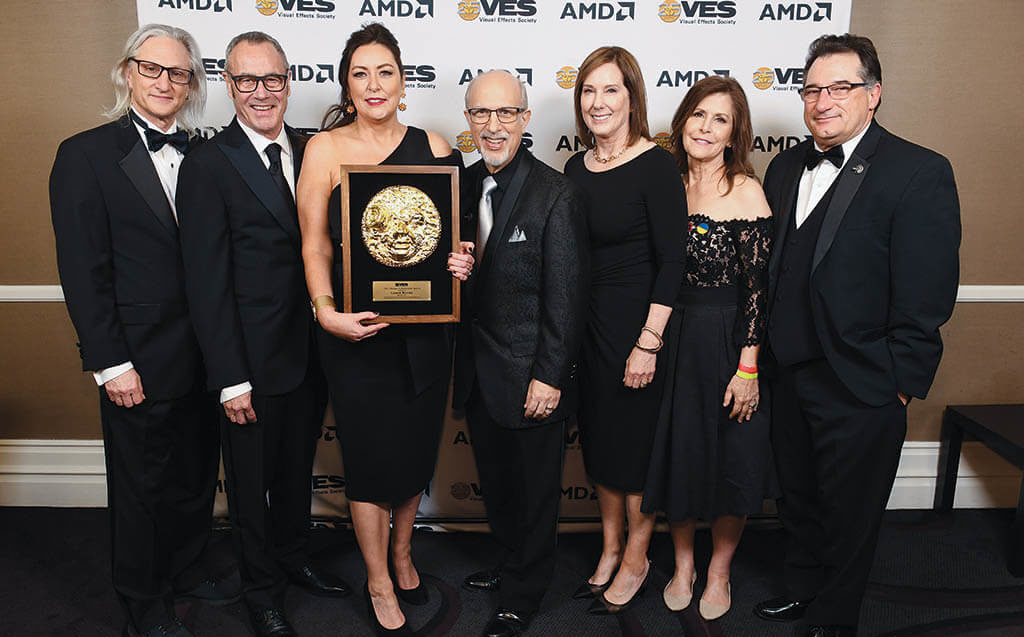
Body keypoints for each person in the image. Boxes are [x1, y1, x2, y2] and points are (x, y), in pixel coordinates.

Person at [753, 34, 960, 637]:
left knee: (851, 511)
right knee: (797, 495)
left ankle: (835, 617)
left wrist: (899, 384)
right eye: (813, 88)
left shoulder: (919, 170)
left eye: (840, 87)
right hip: (788, 371)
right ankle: (801, 589)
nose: (823, 101)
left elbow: (928, 293)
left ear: (873, 94)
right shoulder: (787, 165)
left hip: (863, 381)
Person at [48, 24, 230, 637]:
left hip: (206, 356)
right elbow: (82, 268)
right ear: (127, 73)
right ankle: (142, 601)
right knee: (140, 487)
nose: (165, 82)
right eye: (152, 69)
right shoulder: (85, 155)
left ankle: (183, 569)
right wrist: (109, 361)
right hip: (137, 358)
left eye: (178, 73)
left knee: (194, 475)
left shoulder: (205, 154)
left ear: (192, 85)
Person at [176, 31, 351, 637]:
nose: (260, 93)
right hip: (249, 362)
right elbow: (206, 283)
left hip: (313, 352)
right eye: (246, 80)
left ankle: (294, 558)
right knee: (250, 488)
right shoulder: (207, 165)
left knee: (296, 473)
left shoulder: (313, 148)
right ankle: (262, 591)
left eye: (272, 79)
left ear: (288, 81)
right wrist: (229, 378)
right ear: (228, 85)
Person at [296, 23, 468, 636]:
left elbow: (452, 238)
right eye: (360, 73)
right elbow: (314, 241)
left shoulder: (438, 145)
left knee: (413, 452)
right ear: (347, 83)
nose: (373, 84)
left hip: (425, 332)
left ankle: (402, 553)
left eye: (385, 72)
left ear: (403, 79)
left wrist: (461, 261)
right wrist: (323, 310)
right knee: (370, 459)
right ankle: (376, 575)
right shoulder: (324, 149)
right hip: (355, 330)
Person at [455, 70, 589, 637]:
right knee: (499, 484)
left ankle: (525, 592)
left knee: (535, 494)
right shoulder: (456, 185)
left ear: (526, 120)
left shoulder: (554, 192)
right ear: (468, 121)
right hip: (477, 372)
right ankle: (511, 561)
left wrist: (551, 376)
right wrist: (451, 274)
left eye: (505, 113)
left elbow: (566, 294)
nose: (493, 126)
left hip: (532, 372)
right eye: (482, 114)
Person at [641, 75, 774, 621]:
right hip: (671, 337)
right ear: (683, 121)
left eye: (720, 118)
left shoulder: (745, 191)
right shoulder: (666, 182)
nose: (705, 126)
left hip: (726, 341)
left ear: (734, 131)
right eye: (698, 114)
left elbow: (758, 292)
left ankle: (719, 571)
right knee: (680, 453)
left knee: (733, 459)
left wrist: (747, 369)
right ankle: (683, 564)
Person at [561, 47, 685, 615]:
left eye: (611, 90)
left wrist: (649, 341)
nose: (598, 102)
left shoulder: (656, 165)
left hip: (637, 331)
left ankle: (637, 555)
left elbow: (673, 261)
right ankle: (609, 547)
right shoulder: (574, 169)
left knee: (633, 454)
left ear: (632, 97)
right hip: (586, 332)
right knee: (602, 446)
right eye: (589, 90)